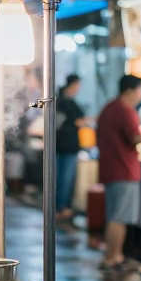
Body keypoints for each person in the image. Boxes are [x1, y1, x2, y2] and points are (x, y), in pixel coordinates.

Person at [96, 74, 141, 269]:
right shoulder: (124, 110)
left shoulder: (110, 108)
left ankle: (115, 255)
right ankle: (112, 257)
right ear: (130, 90)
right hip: (123, 170)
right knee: (119, 217)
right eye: (139, 89)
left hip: (112, 168)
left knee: (115, 215)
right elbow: (134, 137)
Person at [55, 74, 87, 219]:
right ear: (73, 84)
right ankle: (62, 207)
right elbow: (79, 121)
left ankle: (58, 207)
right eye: (78, 85)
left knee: (59, 177)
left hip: (59, 144)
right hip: (69, 146)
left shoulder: (58, 99)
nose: (79, 88)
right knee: (66, 179)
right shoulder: (68, 102)